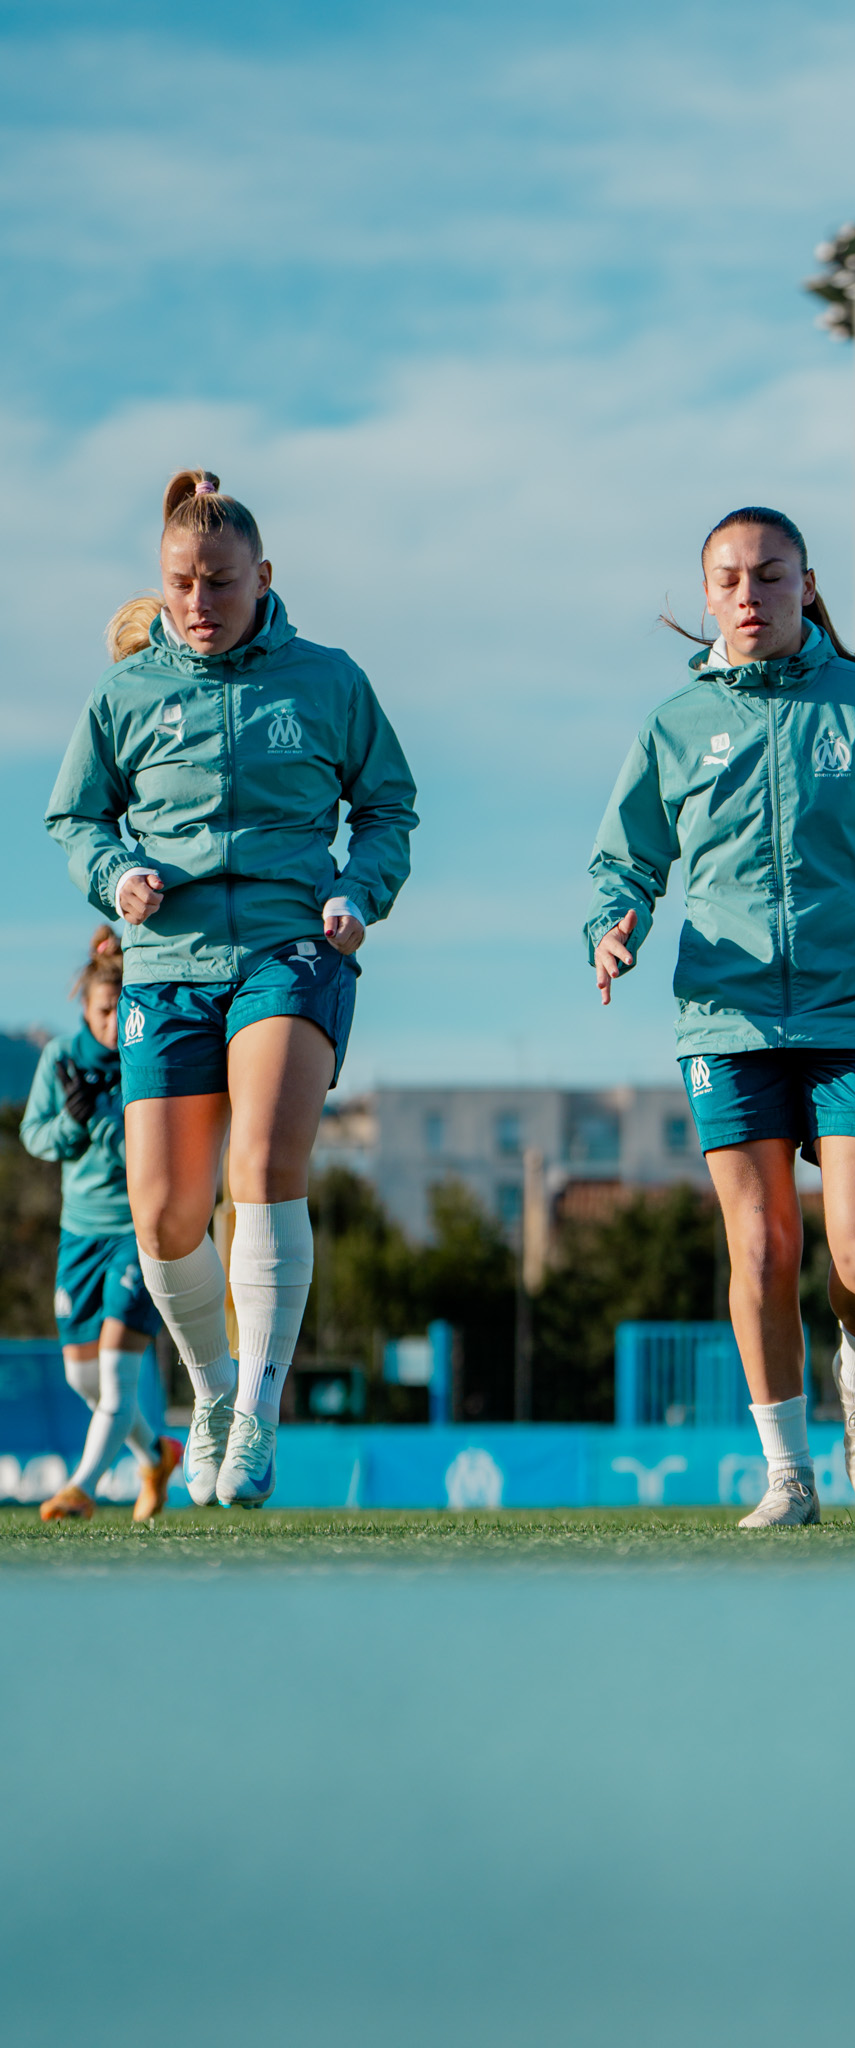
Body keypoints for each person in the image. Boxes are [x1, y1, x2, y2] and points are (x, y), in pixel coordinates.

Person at [586, 507, 855, 1527]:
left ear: (805, 584)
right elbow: (625, 858)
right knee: (760, 1248)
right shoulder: (674, 725)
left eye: (770, 574)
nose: (749, 593)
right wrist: (612, 920)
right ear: (708, 595)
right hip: (728, 1014)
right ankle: (788, 1474)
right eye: (730, 578)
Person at [47, 470, 417, 1509]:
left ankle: (257, 1410)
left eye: (218, 583)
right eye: (180, 585)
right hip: (164, 966)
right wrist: (114, 876)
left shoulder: (328, 679)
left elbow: (387, 807)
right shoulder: (125, 694)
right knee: (165, 1213)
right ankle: (212, 1389)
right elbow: (76, 818)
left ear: (263, 576)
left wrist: (358, 888)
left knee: (260, 1160)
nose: (198, 604)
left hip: (290, 949)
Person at [24, 927, 180, 1523]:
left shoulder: (148, 1058)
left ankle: (80, 1489)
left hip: (138, 1234)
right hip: (79, 1236)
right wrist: (72, 1123)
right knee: (84, 1380)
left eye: (124, 1009)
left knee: (116, 1376)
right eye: (105, 1010)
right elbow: (36, 1137)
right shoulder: (58, 1059)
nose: (115, 1021)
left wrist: (108, 1122)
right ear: (85, 1007)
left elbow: (157, 1149)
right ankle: (156, 1454)